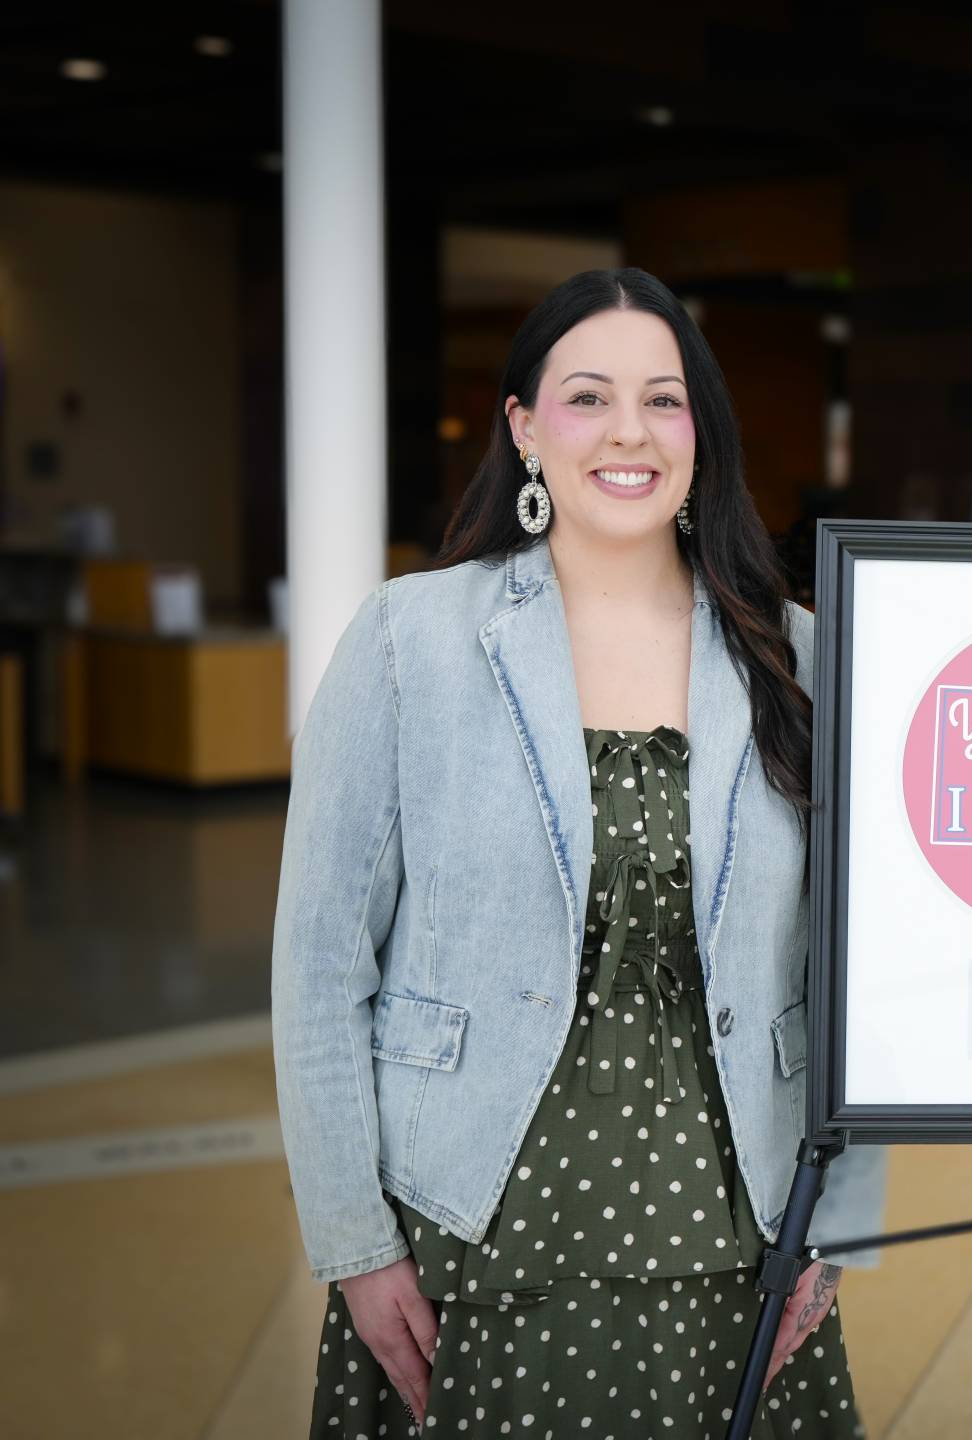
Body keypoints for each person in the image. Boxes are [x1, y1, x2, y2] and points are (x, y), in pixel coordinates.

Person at [273, 268, 885, 1437]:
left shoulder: (800, 658)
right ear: (522, 427)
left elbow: (853, 974)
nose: (627, 433)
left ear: (701, 434)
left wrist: (842, 1225)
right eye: (588, 397)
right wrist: (352, 1239)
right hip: (471, 1221)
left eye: (664, 401)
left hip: (736, 1222)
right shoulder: (413, 640)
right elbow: (318, 968)